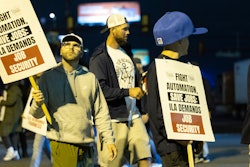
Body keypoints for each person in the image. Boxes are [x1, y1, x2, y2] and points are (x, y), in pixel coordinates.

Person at [29, 33, 117, 167]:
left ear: (81, 52)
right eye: (67, 44)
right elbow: (36, 114)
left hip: (87, 144)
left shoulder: (90, 77)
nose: (71, 48)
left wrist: (109, 140)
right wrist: (37, 103)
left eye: (76, 46)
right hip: (62, 142)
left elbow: (101, 113)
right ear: (60, 50)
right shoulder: (47, 77)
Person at [89, 14, 152, 167]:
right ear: (112, 29)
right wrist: (128, 92)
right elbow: (100, 90)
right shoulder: (99, 57)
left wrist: (143, 108)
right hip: (112, 120)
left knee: (144, 156)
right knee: (112, 163)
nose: (128, 32)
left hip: (133, 117)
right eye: (124, 29)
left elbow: (134, 81)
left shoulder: (126, 52)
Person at [146, 11, 208, 167]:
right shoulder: (157, 68)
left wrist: (199, 136)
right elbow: (155, 111)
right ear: (179, 40)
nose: (188, 42)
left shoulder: (184, 68)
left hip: (186, 144)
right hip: (171, 147)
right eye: (187, 38)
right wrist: (177, 136)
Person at [0, 81, 24, 161]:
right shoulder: (13, 88)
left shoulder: (14, 89)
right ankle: (15, 152)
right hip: (13, 115)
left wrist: (1, 101)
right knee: (13, 134)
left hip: (11, 115)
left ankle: (11, 151)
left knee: (3, 132)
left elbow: (10, 101)